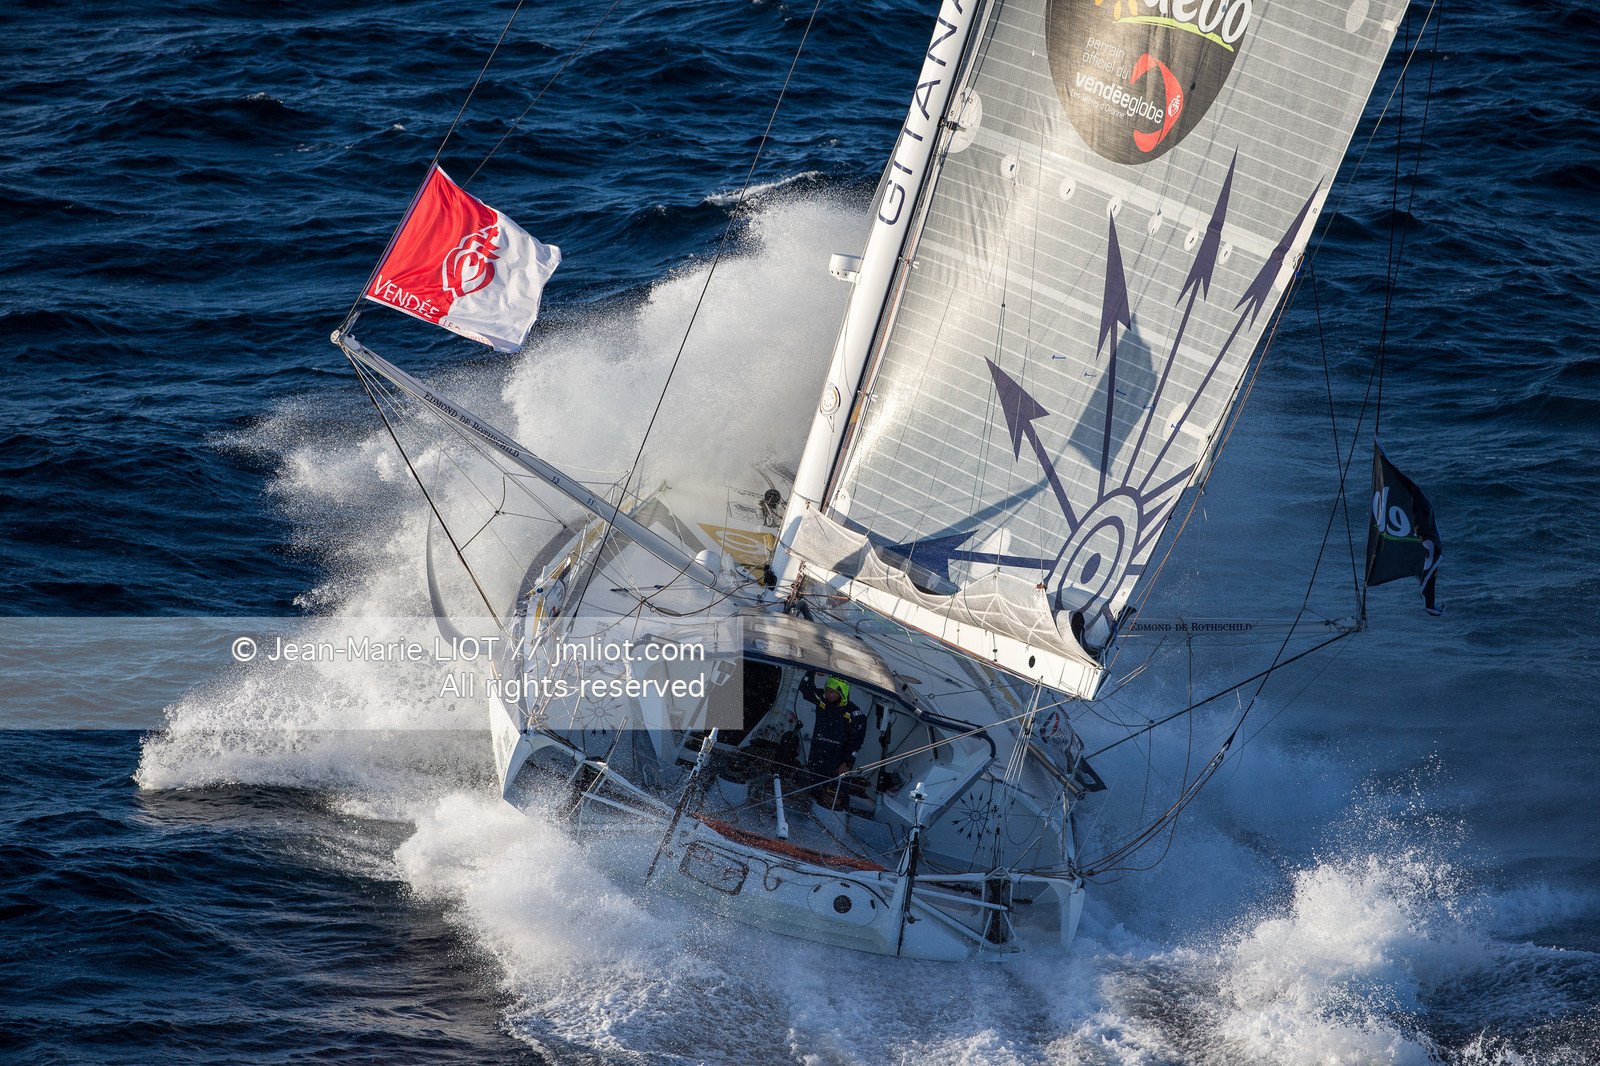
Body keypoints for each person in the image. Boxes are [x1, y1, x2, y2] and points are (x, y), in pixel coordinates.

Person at [799, 672, 866, 799]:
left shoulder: (855, 714)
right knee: (814, 792)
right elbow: (805, 688)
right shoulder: (822, 702)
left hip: (837, 763)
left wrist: (847, 763)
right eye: (828, 690)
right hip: (817, 758)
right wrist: (812, 670)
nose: (829, 694)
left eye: (833, 692)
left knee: (837, 797)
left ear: (841, 693)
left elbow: (856, 741)